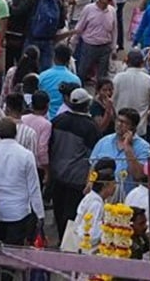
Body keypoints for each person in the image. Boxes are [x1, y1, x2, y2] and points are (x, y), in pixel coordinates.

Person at [49, 87, 103, 245]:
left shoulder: (58, 120)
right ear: (87, 105)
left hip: (57, 175)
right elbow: (94, 156)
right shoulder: (90, 127)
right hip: (77, 178)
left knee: (58, 211)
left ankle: (61, 240)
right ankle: (68, 245)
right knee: (72, 214)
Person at [0, 119, 42, 246]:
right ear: (16, 132)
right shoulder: (26, 155)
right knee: (15, 251)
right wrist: (40, 214)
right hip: (19, 211)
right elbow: (34, 187)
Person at [60, 159, 116, 254]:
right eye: (113, 184)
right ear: (105, 185)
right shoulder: (96, 204)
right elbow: (91, 235)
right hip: (85, 250)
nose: (115, 187)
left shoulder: (90, 197)